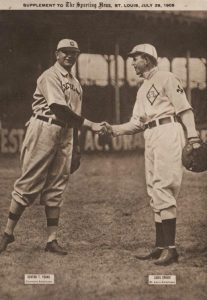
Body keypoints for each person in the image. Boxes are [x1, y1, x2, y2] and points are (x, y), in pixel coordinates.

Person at [0, 39, 104, 255]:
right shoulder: (50, 75)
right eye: (65, 52)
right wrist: (90, 124)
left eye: (73, 53)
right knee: (29, 182)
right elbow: (58, 108)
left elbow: (72, 116)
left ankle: (51, 240)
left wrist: (75, 147)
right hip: (44, 127)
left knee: (57, 186)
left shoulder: (76, 83)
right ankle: (7, 233)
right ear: (57, 54)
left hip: (66, 132)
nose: (69, 56)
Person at [102, 44, 200, 266]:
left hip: (168, 130)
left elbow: (184, 108)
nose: (132, 62)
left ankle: (172, 249)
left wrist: (193, 137)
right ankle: (160, 246)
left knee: (164, 186)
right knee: (153, 189)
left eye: (135, 58)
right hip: (151, 135)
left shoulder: (167, 77)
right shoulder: (142, 88)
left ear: (147, 59)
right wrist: (114, 130)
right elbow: (137, 123)